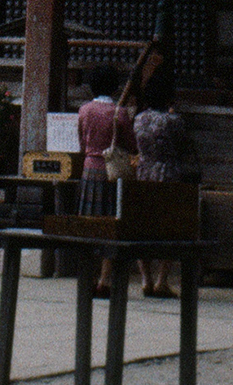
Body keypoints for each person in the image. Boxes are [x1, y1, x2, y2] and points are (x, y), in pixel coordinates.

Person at [131, 76, 198, 298]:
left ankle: (145, 278)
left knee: (143, 225)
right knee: (169, 225)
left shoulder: (138, 119)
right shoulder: (174, 121)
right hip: (168, 173)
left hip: (143, 171)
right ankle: (162, 280)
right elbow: (183, 145)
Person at [75, 63, 136, 296]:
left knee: (89, 224)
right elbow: (131, 144)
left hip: (89, 169)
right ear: (114, 86)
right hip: (112, 172)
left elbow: (82, 143)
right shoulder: (119, 113)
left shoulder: (84, 110)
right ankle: (104, 280)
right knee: (111, 224)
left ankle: (87, 277)